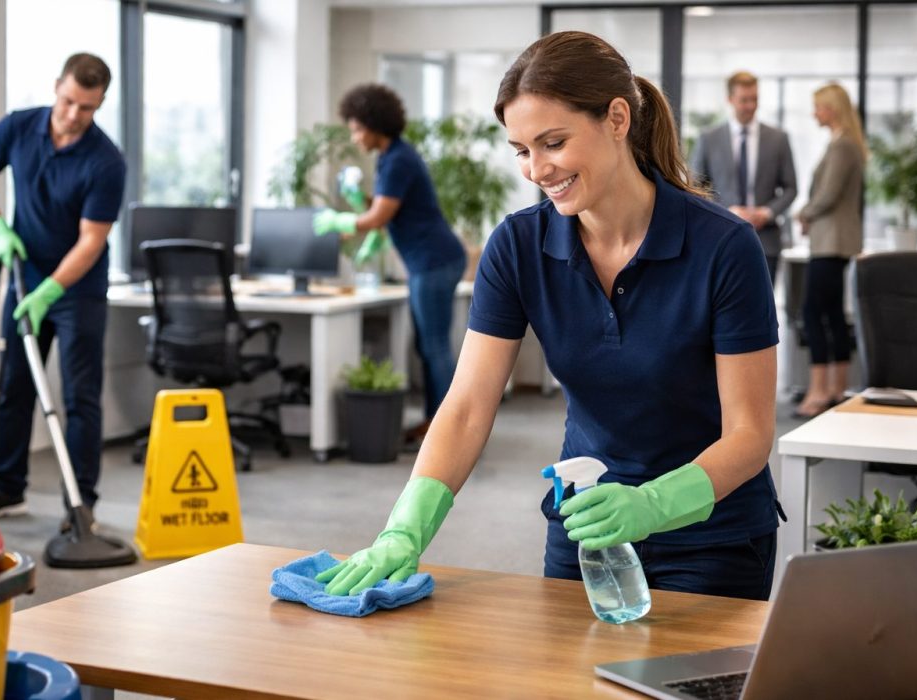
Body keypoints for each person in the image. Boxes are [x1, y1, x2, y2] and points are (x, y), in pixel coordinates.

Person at [317, 31, 782, 602]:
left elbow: (750, 433)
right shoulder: (518, 247)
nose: (535, 169)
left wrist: (654, 504)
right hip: (584, 529)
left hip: (714, 535)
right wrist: (403, 529)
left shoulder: (723, 246)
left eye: (553, 142)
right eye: (520, 149)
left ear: (617, 119)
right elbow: (465, 409)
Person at [0, 53, 125, 521]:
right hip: (22, 278)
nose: (74, 115)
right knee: (13, 388)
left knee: (79, 397)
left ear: (100, 105)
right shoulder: (17, 128)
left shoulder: (106, 161)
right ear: (57, 87)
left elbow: (91, 241)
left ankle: (81, 503)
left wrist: (50, 291)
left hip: (78, 292)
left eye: (87, 108)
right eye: (69, 101)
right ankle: (9, 489)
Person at [313, 84, 467, 444]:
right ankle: (437, 422)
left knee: (434, 346)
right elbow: (384, 203)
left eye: (356, 129)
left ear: (373, 124)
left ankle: (445, 431)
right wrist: (359, 200)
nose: (354, 137)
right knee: (428, 345)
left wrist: (341, 221)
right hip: (427, 262)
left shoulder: (399, 159)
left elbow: (380, 215)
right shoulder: (391, 157)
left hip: (434, 261)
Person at [792, 83, 866, 419]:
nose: (815, 113)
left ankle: (820, 391)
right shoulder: (845, 145)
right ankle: (837, 389)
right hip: (832, 241)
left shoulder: (842, 147)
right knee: (833, 314)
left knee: (813, 312)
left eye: (819, 107)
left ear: (832, 109)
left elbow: (828, 195)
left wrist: (802, 213)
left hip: (830, 242)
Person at [691, 71, 797, 286]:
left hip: (766, 241)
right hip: (720, 239)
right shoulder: (709, 138)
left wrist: (766, 212)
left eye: (754, 99)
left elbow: (791, 188)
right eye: (744, 100)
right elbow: (695, 188)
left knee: (764, 311)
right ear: (730, 100)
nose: (750, 106)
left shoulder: (778, 139)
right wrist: (726, 211)